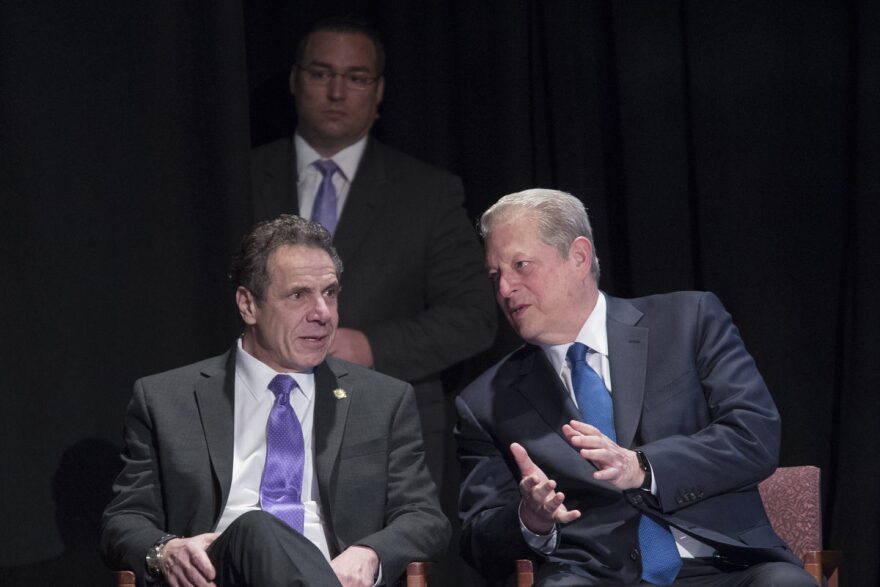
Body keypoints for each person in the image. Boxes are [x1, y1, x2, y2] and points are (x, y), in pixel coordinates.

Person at [455, 189, 816, 586]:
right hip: (592, 576)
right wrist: (530, 519)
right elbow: (477, 540)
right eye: (495, 275)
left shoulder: (688, 322)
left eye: (520, 265)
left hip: (726, 565)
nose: (505, 289)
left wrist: (642, 467)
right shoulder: (486, 401)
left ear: (577, 256)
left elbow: (755, 436)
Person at [101, 215, 450, 587]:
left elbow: (423, 517)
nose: (322, 314)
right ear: (248, 305)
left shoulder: (382, 400)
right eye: (298, 295)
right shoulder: (167, 400)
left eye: (330, 293)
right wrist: (166, 551)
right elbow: (123, 522)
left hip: (334, 578)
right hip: (217, 575)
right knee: (256, 526)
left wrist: (370, 553)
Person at [250, 17, 497, 492]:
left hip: (386, 429)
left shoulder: (428, 192)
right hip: (258, 418)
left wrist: (368, 347)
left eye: (356, 78)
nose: (337, 92)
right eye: (322, 74)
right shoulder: (240, 176)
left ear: (378, 91)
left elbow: (473, 317)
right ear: (295, 80)